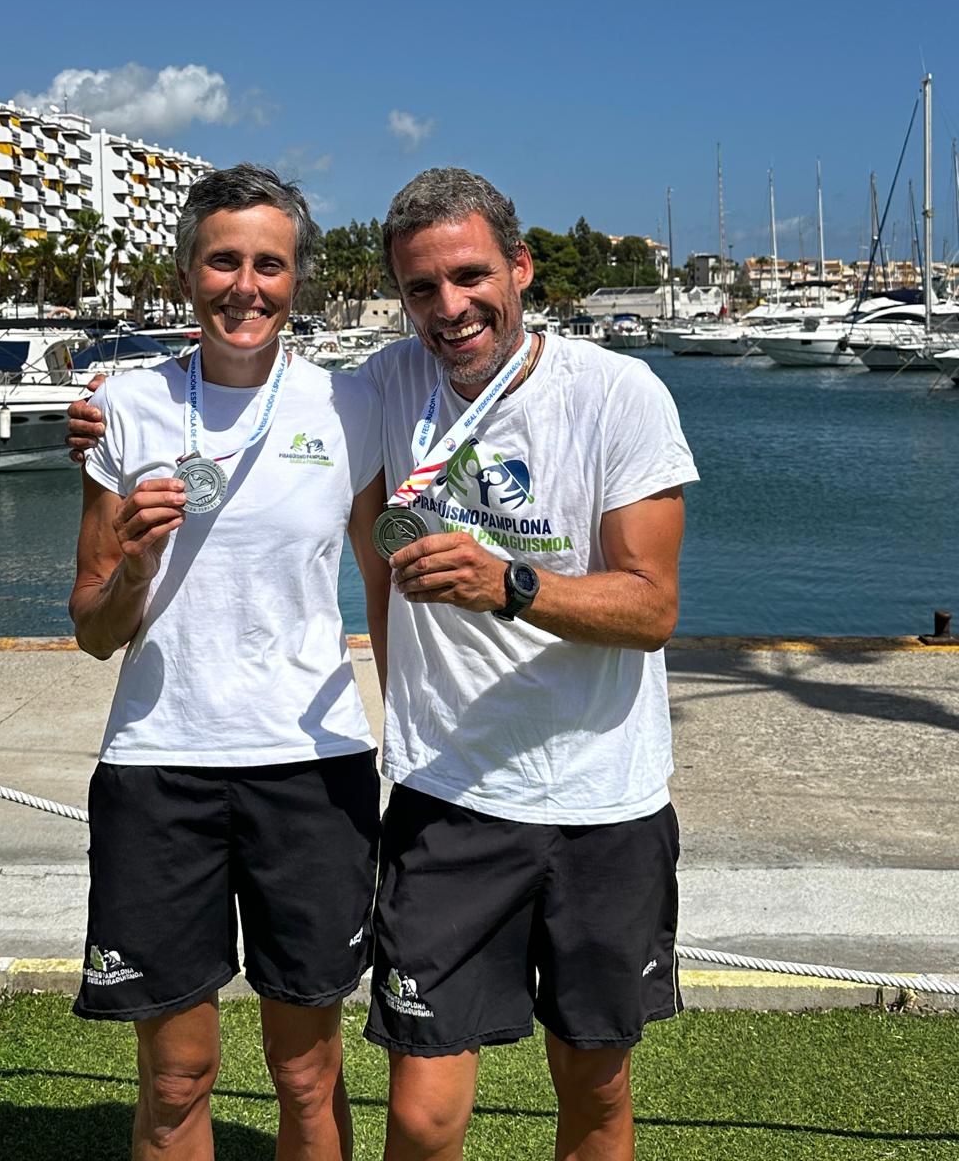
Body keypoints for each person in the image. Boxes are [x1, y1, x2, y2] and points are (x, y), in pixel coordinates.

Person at [71, 166, 698, 1161]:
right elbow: (110, 602)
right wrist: (115, 454)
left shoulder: (595, 393)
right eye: (421, 289)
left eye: (470, 277)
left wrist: (511, 584)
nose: (449, 308)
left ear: (521, 268)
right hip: (427, 793)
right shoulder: (334, 394)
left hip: (569, 799)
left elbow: (652, 605)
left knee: (585, 1087)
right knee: (383, 1109)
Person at [68, 163, 386, 1161]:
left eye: (268, 264)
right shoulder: (125, 407)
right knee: (176, 1076)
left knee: (307, 1073)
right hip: (160, 765)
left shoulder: (352, 408)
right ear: (186, 272)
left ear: (298, 278)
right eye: (222, 260)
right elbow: (91, 624)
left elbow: (387, 581)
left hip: (313, 765)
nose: (244, 285)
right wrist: (136, 562)